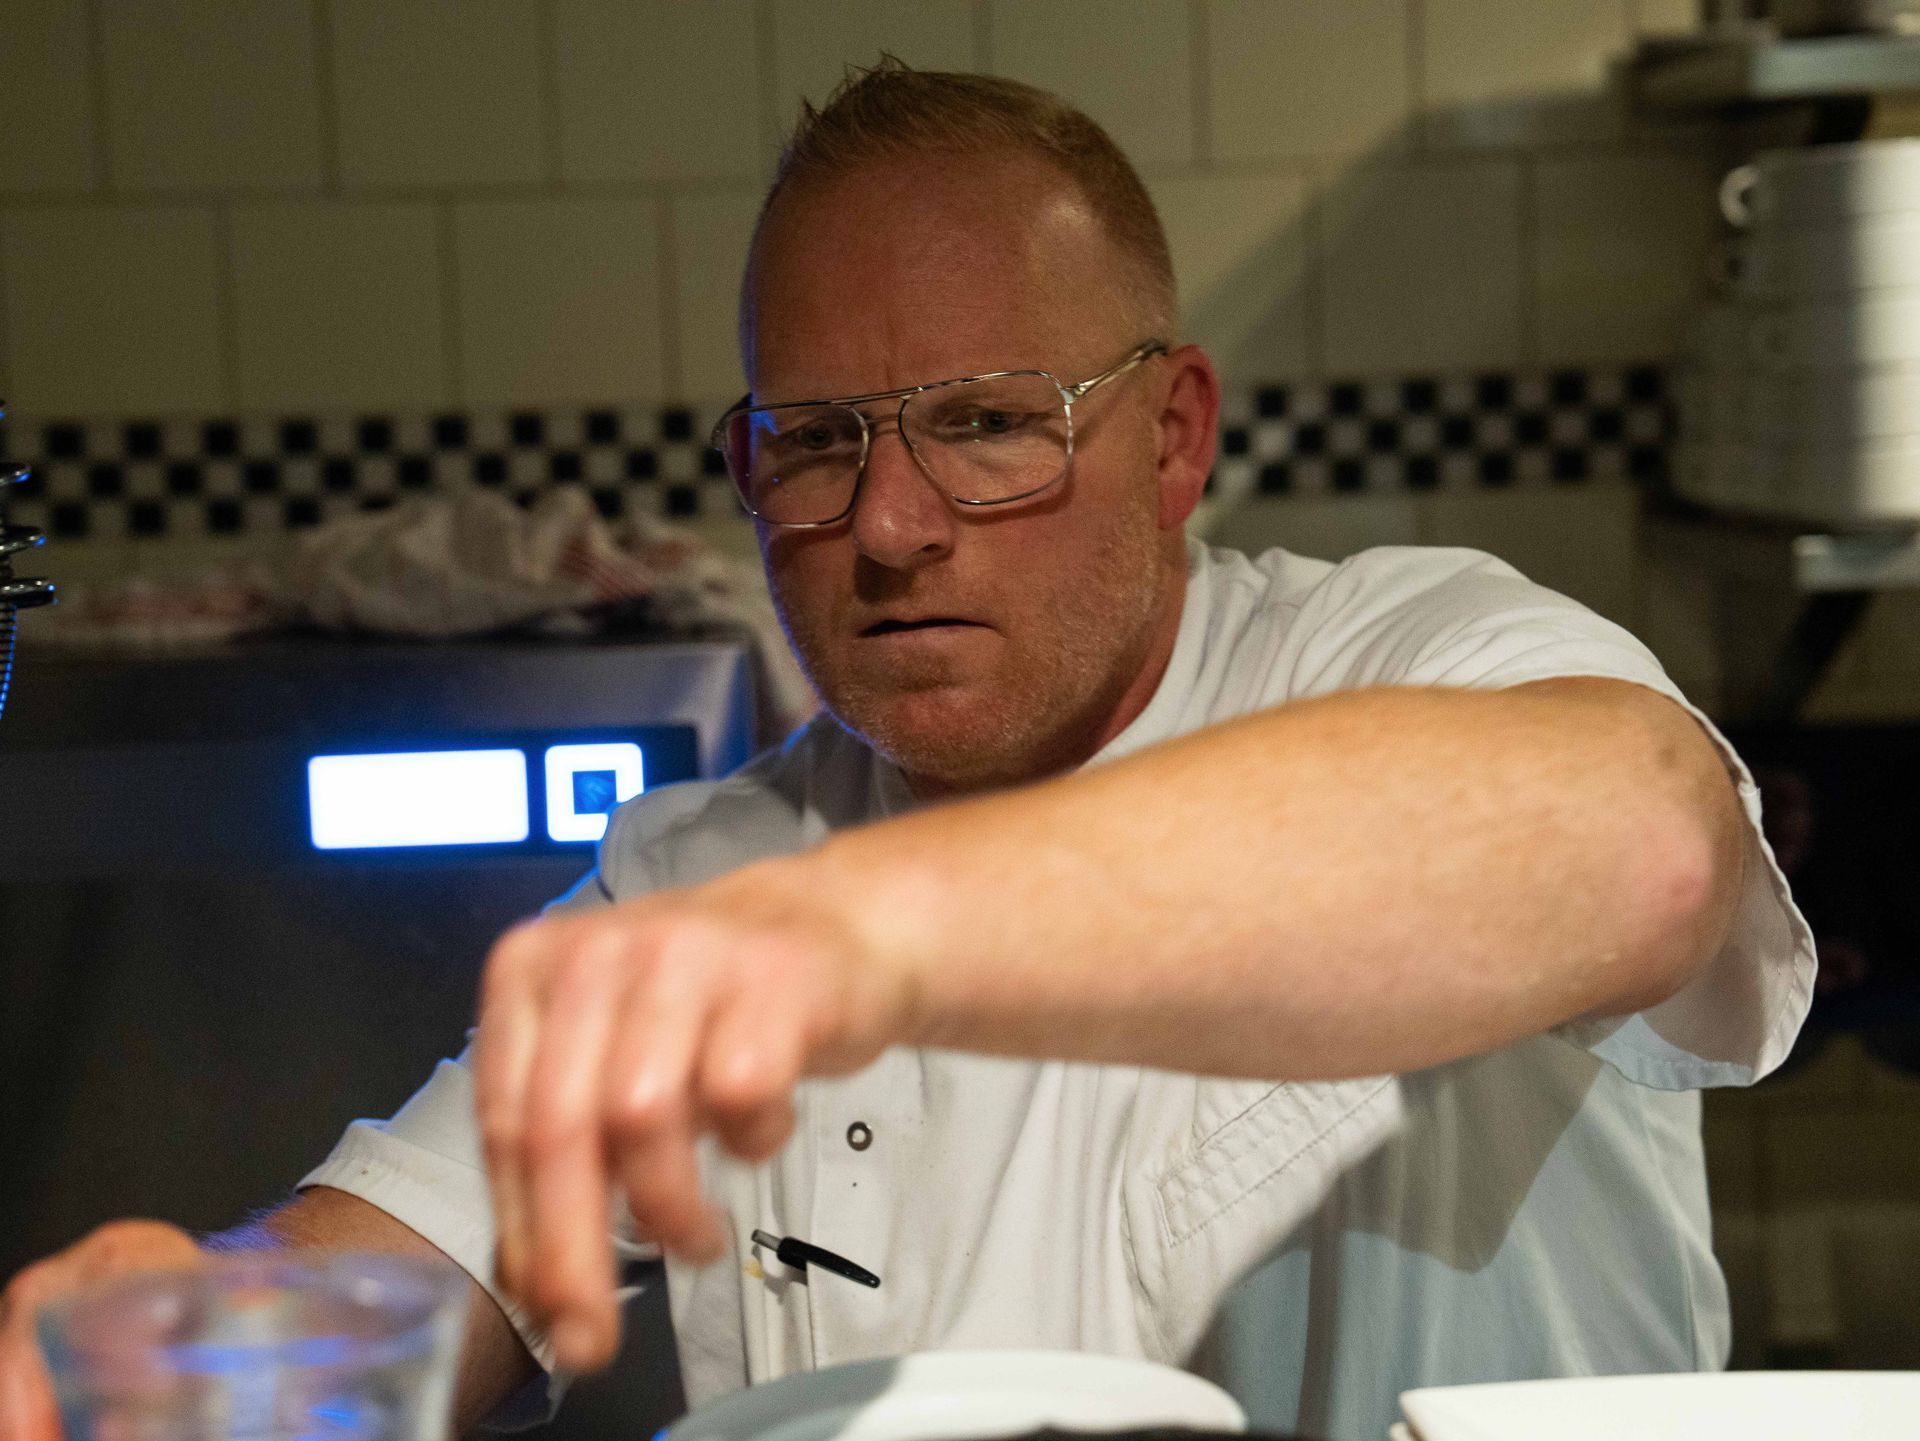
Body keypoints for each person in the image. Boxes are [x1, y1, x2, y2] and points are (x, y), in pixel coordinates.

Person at [0, 63, 1812, 1441]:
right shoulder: (704, 875)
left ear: (1174, 439)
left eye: (988, 424)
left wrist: (880, 927)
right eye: (815, 442)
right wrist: (185, 1357)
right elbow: (414, 1278)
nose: (888, 525)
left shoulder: (1403, 655)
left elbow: (1642, 848)